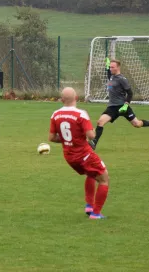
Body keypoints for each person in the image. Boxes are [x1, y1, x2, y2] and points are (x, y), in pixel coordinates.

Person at [49, 87, 109, 219]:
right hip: (84, 154)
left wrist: (67, 140)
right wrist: (92, 129)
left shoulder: (55, 114)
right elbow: (91, 135)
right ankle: (96, 213)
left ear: (62, 100)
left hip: (69, 157)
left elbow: (52, 137)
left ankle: (89, 205)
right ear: (76, 98)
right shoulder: (81, 114)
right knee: (104, 179)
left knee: (91, 174)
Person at [90, 58, 149, 150]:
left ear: (118, 67)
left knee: (137, 124)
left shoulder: (122, 79)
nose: (110, 69)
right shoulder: (111, 76)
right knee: (100, 122)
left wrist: (126, 105)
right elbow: (108, 74)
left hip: (123, 106)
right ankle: (94, 143)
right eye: (110, 67)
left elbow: (130, 93)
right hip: (112, 107)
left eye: (112, 67)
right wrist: (106, 66)